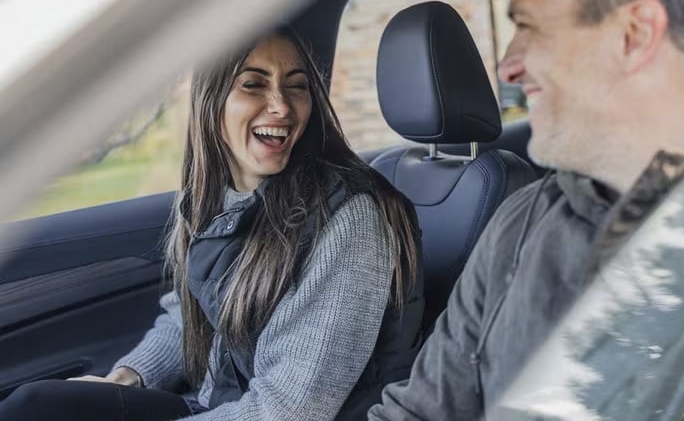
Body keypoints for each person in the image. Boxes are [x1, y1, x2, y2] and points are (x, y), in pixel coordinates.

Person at [368, 0, 684, 419]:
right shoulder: (521, 223)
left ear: (633, 35)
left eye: (528, 25)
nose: (509, 64)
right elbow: (417, 412)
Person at [0, 29, 423, 421]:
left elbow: (291, 408)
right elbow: (189, 317)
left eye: (297, 85)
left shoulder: (350, 216)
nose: (281, 105)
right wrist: (124, 379)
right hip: (216, 405)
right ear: (211, 99)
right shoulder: (213, 198)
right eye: (253, 84)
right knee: (35, 405)